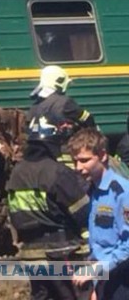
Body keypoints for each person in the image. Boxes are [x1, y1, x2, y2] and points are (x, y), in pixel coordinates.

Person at [6, 114, 90, 300]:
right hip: (62, 251)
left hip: (30, 254)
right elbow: (84, 212)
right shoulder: (56, 172)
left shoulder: (17, 173)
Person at [68, 128, 129, 300]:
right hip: (104, 279)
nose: (78, 167)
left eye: (84, 160)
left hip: (123, 280)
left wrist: (97, 270)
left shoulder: (122, 193)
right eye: (75, 161)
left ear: (102, 156)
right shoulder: (91, 192)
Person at [28, 65, 95, 136]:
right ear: (60, 81)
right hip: (59, 144)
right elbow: (87, 119)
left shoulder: (35, 106)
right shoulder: (65, 102)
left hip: (35, 145)